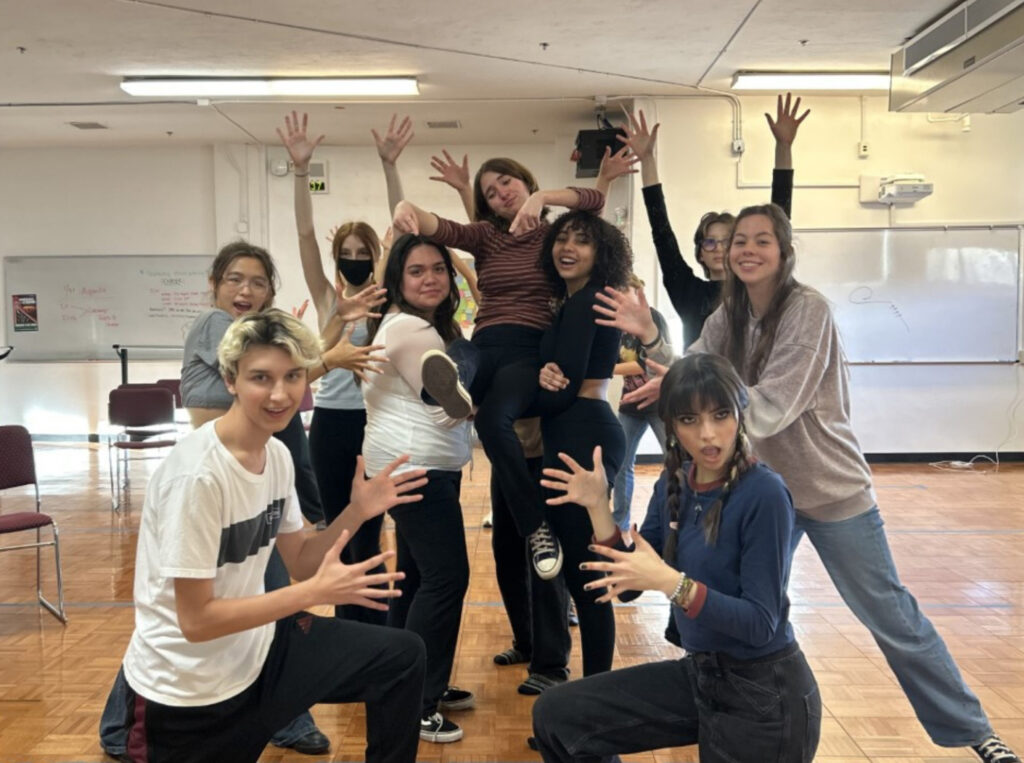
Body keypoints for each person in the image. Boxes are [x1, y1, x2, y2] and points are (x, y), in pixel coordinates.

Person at [607, 205, 1021, 763]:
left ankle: (974, 730)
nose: (747, 250)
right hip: (759, 492)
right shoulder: (728, 315)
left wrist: (695, 395)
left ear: (784, 252)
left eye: (761, 241)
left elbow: (772, 406)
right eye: (737, 242)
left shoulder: (808, 311)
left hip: (829, 491)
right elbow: (696, 371)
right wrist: (655, 339)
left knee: (890, 614)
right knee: (739, 599)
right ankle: (727, 697)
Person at [100, 240, 383, 759]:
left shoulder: (267, 354)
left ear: (271, 290)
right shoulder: (218, 329)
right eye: (233, 278)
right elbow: (275, 378)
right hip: (222, 481)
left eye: (257, 281)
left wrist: (335, 328)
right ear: (215, 286)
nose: (245, 289)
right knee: (210, 607)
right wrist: (331, 353)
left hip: (264, 466)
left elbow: (289, 366)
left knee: (236, 602)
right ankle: (275, 717)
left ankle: (270, 714)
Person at [532, 352, 820, 763]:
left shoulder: (764, 493)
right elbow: (629, 588)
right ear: (671, 426)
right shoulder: (675, 481)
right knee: (558, 716)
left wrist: (672, 583)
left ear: (740, 413)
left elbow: (759, 625)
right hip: (703, 675)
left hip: (766, 694)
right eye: (689, 420)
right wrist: (598, 507)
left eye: (720, 414)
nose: (708, 434)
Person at [391, 160, 612, 581]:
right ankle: (446, 387)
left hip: (527, 351)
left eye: (506, 182)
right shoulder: (486, 236)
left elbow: (594, 200)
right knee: (460, 352)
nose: (500, 193)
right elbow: (437, 227)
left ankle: (536, 528)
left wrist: (544, 197)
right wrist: (406, 208)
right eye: (490, 192)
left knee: (493, 423)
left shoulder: (554, 237)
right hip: (486, 342)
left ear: (526, 180)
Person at [278, 111, 391, 624]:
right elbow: (304, 234)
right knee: (338, 530)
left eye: (361, 252)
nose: (352, 259)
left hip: (375, 425)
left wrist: (389, 165)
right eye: (345, 253)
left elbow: (400, 228)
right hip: (329, 425)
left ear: (374, 255)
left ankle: (376, 622)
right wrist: (301, 172)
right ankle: (349, 625)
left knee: (373, 528)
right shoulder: (327, 296)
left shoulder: (385, 296)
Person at [361, 233, 475, 743]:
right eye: (416, 271)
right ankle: (420, 703)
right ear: (397, 282)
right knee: (447, 579)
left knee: (412, 577)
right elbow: (446, 410)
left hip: (404, 466)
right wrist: (467, 392)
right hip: (419, 468)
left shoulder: (406, 326)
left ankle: (404, 680)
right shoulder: (412, 329)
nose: (429, 278)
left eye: (437, 269)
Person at [618, 94, 807, 348]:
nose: (718, 248)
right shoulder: (687, 291)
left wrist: (783, 147)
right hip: (699, 384)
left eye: (728, 241)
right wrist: (647, 160)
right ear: (700, 254)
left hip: (749, 386)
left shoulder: (758, 288)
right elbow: (662, 233)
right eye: (710, 242)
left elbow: (779, 219)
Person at [530, 209, 630, 684]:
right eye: (561, 239)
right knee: (581, 574)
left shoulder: (586, 299)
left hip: (580, 432)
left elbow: (563, 388)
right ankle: (591, 701)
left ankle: (593, 704)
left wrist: (539, 377)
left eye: (582, 241)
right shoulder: (575, 300)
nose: (568, 248)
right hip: (578, 429)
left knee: (587, 579)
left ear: (600, 252)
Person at [611, 273, 669, 531]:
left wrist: (608, 369)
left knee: (675, 460)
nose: (620, 297)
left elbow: (647, 362)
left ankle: (670, 520)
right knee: (621, 465)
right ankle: (619, 523)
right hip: (631, 404)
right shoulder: (616, 324)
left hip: (659, 403)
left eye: (625, 290)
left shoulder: (652, 318)